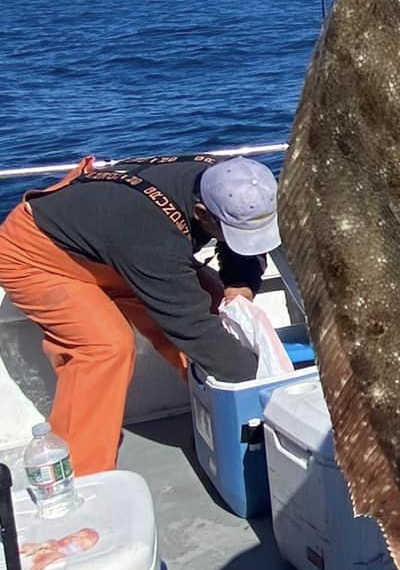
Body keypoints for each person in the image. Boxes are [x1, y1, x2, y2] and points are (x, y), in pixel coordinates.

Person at [0, 152, 282, 476]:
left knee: (220, 309)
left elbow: (240, 244)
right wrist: (267, 390)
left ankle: (217, 426)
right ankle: (83, 476)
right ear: (202, 212)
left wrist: (240, 285)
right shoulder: (149, 232)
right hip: (37, 257)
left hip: (113, 247)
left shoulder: (232, 182)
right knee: (105, 347)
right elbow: (189, 325)